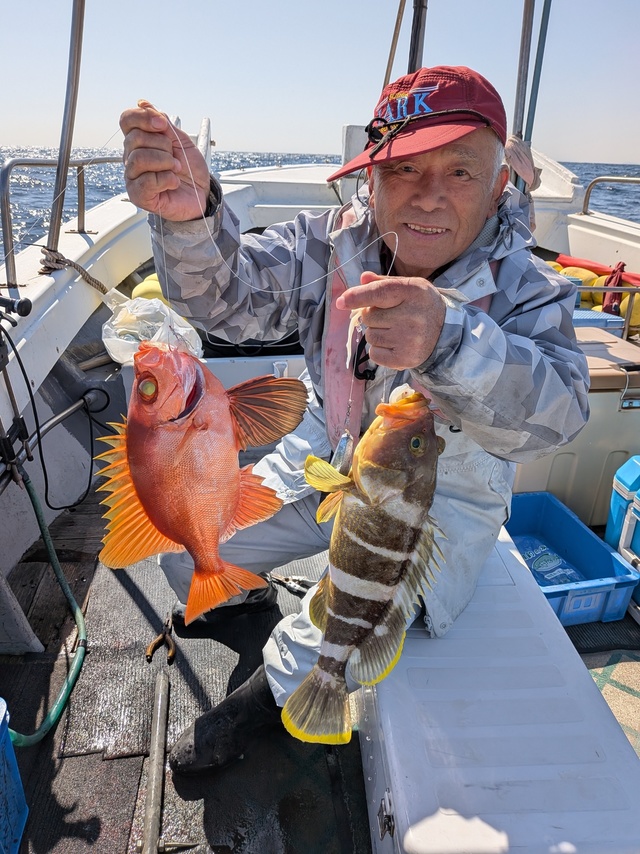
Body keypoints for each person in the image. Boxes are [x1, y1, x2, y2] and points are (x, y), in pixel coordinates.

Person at [120, 65, 590, 775]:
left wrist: (451, 340)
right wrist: (189, 220)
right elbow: (228, 301)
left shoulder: (531, 289)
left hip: (433, 512)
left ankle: (262, 701)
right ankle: (248, 593)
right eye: (403, 168)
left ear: (500, 186)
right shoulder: (328, 245)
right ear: (369, 180)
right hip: (329, 456)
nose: (428, 195)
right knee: (184, 554)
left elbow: (561, 415)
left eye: (461, 171)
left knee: (337, 634)